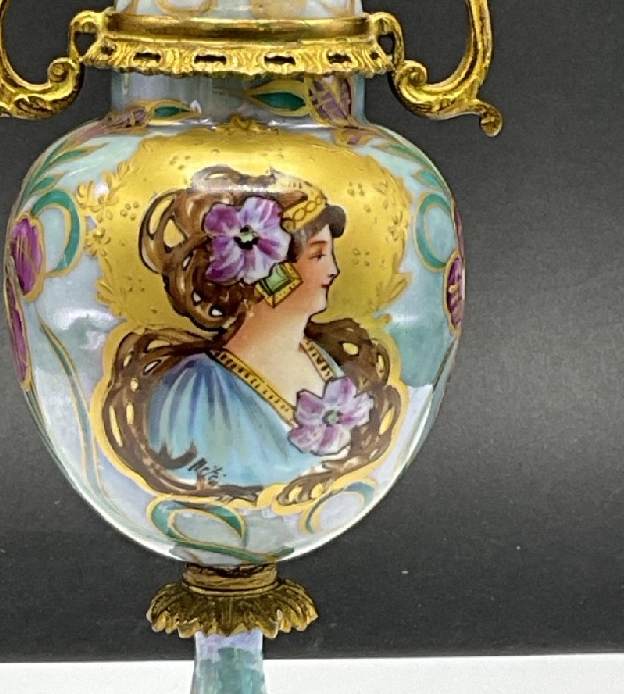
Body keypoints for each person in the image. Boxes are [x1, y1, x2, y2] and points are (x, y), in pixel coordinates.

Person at [101, 166, 401, 506]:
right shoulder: (193, 390)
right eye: (318, 255)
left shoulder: (327, 363)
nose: (333, 270)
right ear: (272, 273)